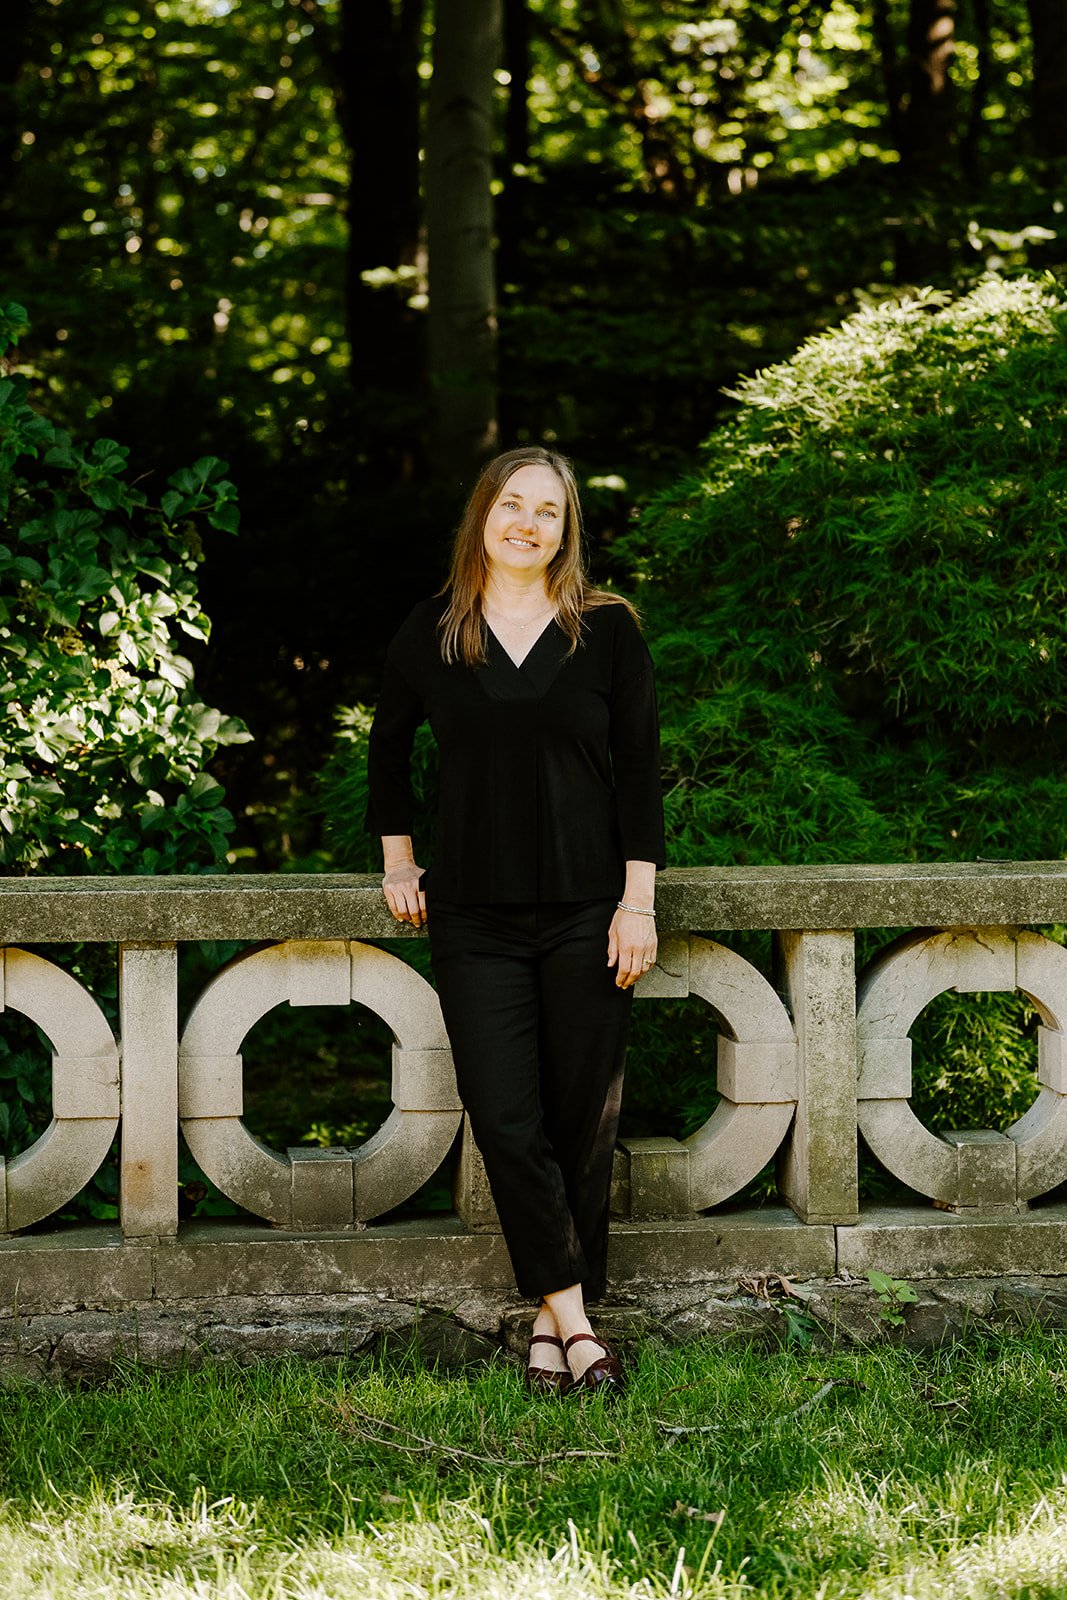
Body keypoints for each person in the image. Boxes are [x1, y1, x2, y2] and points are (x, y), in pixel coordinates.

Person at [365, 445, 665, 1394]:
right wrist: (399, 861)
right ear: (481, 516)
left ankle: (549, 1328)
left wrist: (637, 903)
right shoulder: (434, 629)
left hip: (590, 913)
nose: (527, 522)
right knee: (504, 1117)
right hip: (474, 920)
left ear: (566, 530)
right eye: (511, 504)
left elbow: (639, 775)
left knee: (582, 1119)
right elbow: (385, 755)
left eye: (547, 510)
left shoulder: (607, 632)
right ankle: (579, 1325)